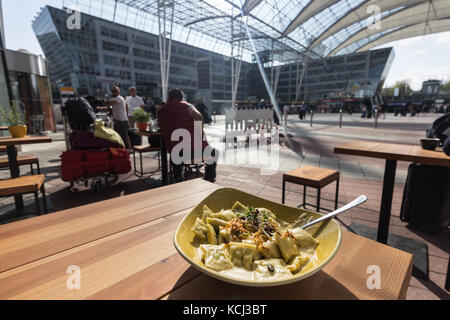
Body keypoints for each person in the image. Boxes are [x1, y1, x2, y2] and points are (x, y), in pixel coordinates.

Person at [157, 88, 218, 182]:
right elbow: (199, 116)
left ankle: (178, 177)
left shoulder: (161, 111)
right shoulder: (188, 106)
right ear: (181, 97)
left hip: (177, 154)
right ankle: (209, 179)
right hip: (199, 151)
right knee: (213, 153)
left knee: (175, 153)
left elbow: (160, 127)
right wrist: (199, 130)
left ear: (169, 97)